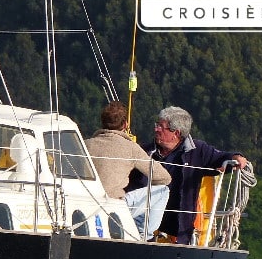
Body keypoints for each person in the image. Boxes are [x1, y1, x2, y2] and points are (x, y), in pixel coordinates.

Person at [143, 106, 248, 244]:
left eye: (161, 127)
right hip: (146, 229)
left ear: (176, 133)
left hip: (180, 232)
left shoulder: (198, 151)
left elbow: (220, 157)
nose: (156, 129)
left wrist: (237, 157)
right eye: (157, 125)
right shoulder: (145, 151)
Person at [85, 101, 171, 238]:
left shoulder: (86, 145)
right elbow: (164, 178)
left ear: (102, 122)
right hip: (115, 205)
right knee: (163, 190)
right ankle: (144, 234)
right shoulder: (130, 148)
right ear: (125, 125)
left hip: (86, 203)